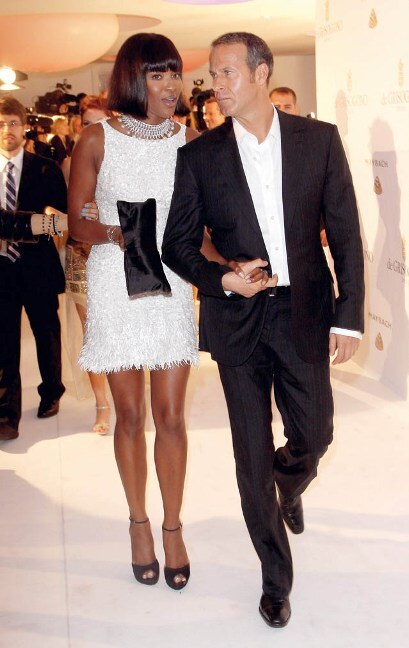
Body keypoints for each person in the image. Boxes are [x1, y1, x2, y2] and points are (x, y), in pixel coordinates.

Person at [162, 32, 364, 627]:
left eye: (227, 73)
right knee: (250, 461)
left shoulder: (317, 140)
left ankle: (289, 484)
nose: (216, 86)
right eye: (212, 76)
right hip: (238, 320)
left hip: (304, 311)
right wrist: (223, 278)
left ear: (260, 73)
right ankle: (276, 578)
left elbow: (345, 233)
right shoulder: (199, 156)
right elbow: (177, 245)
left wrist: (349, 315)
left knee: (316, 435)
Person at [68, 33, 200, 590]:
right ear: (132, 77)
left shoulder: (189, 139)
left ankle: (173, 527)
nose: (171, 85)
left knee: (171, 418)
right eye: (157, 73)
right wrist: (117, 234)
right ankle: (138, 523)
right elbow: (77, 224)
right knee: (129, 416)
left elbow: (201, 221)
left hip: (171, 283)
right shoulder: (96, 138)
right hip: (116, 282)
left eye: (175, 73)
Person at [0, 95, 68, 442]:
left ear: (24, 127)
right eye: (1, 124)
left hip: (38, 267)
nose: (7, 130)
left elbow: (61, 222)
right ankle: (6, 413)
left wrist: (38, 224)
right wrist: (36, 222)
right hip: (1, 271)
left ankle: (52, 392)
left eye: (13, 123)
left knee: (47, 334)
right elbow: (44, 221)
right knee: (3, 341)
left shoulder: (46, 168)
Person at [64, 97, 112, 433]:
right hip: (81, 254)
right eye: (86, 124)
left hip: (117, 252)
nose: (92, 130)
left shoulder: (125, 160)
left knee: (122, 326)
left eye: (99, 122)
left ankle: (127, 394)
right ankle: (101, 403)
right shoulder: (70, 164)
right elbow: (63, 212)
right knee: (92, 331)